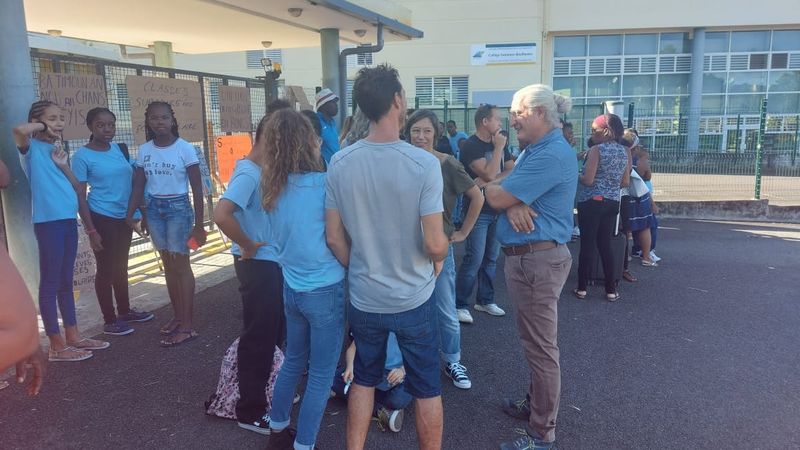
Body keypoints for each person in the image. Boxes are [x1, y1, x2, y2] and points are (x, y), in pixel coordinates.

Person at [326, 64, 449, 450]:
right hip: (414, 294)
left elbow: (334, 237)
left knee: (363, 376)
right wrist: (443, 253)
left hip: (364, 295)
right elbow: (433, 243)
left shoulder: (340, 162)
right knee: (427, 385)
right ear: (397, 101)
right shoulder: (424, 164)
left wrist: (360, 266)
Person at [483, 84, 575, 450]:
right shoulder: (535, 150)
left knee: (541, 348)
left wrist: (508, 198)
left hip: (537, 260)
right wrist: (512, 200)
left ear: (540, 114)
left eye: (518, 112)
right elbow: (500, 187)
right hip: (531, 259)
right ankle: (536, 407)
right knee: (535, 343)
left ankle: (542, 434)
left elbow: (494, 194)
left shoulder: (549, 154)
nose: (512, 118)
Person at [263, 109, 346, 450]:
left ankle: (278, 430)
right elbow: (335, 239)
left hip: (292, 287)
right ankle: (305, 444)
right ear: (310, 141)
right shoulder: (325, 184)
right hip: (325, 288)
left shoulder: (270, 186)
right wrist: (353, 266)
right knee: (322, 373)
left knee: (294, 360)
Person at [13, 100, 109, 362]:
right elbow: (20, 130)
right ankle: (56, 345)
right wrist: (42, 125)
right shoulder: (30, 149)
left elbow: (78, 189)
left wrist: (64, 165)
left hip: (68, 221)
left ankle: (73, 336)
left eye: (61, 118)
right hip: (49, 223)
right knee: (51, 283)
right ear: (39, 120)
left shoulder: (54, 149)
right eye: (52, 118)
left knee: (67, 282)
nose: (59, 123)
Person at [212, 114, 284, 435]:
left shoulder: (260, 171)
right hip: (258, 265)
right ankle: (250, 410)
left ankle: (265, 395)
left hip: (268, 263)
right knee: (258, 336)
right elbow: (221, 214)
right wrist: (247, 244)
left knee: (270, 332)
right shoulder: (248, 173)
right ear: (268, 139)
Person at [406, 109, 484, 390]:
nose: (421, 136)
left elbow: (476, 196)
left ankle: (453, 361)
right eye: (415, 131)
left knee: (445, 309)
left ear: (436, 134)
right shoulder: (402, 162)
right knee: (403, 308)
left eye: (427, 131)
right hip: (406, 247)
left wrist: (463, 231)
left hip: (439, 246)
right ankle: (400, 365)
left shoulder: (447, 164)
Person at [126, 101, 207, 346]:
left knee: (181, 265)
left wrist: (199, 225)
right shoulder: (145, 150)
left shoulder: (184, 149)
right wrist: (131, 214)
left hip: (178, 210)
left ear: (172, 120)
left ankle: (188, 325)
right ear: (148, 122)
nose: (159, 122)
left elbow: (196, 187)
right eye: (154, 118)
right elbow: (139, 184)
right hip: (155, 209)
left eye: (163, 118)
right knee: (168, 265)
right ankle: (178, 316)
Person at [71, 107, 154, 336]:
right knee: (106, 269)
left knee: (121, 267)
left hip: (123, 217)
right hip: (101, 216)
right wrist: (91, 230)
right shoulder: (82, 156)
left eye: (111, 124)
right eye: (101, 125)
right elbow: (80, 195)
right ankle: (109, 321)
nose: (107, 129)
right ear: (90, 127)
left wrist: (140, 213)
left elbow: (134, 183)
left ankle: (125, 311)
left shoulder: (119, 149)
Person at [455, 104, 515, 323]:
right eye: (497, 119)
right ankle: (460, 303)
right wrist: (498, 148)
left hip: (497, 208)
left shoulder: (500, 142)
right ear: (485, 122)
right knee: (474, 258)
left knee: (491, 258)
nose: (500, 124)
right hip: (477, 210)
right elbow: (490, 172)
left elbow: (511, 170)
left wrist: (491, 179)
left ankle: (485, 300)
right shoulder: (471, 146)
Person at [573, 114, 631, 302]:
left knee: (587, 245)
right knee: (605, 245)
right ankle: (611, 289)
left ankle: (582, 288)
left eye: (594, 130)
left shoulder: (596, 150)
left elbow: (588, 180)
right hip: (612, 203)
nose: (592, 134)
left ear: (606, 131)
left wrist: (576, 174)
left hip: (591, 201)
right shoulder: (626, 152)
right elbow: (625, 181)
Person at [331, 332, 411, 433]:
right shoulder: (373, 318)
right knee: (333, 380)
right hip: (372, 369)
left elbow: (419, 358)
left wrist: (402, 371)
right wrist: (350, 366)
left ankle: (360, 398)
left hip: (398, 373)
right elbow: (352, 349)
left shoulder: (409, 322)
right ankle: (381, 410)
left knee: (398, 399)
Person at [315, 88, 340, 165]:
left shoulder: (332, 122)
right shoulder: (316, 121)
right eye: (333, 102)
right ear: (324, 104)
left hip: (336, 167)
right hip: (323, 170)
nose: (336, 105)